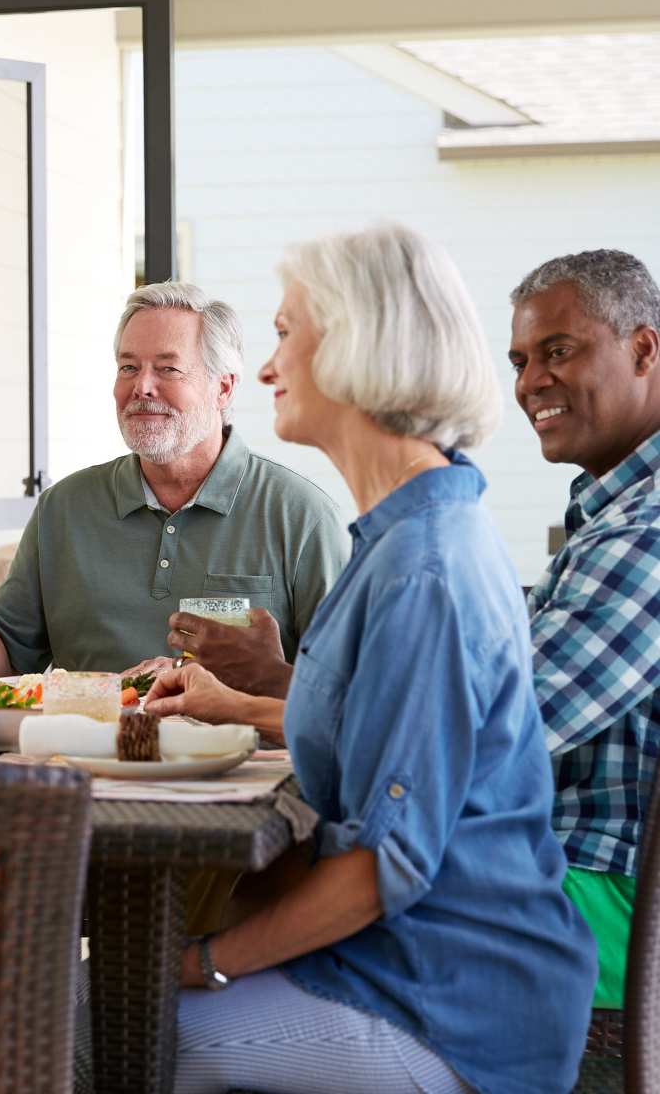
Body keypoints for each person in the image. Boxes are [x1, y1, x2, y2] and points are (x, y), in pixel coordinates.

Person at [142, 224, 596, 1094]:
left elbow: (382, 871)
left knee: (96, 1022)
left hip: (454, 1001)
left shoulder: (425, 565)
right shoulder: (398, 535)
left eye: (285, 333)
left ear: (356, 343)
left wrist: (199, 962)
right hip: (407, 962)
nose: (268, 369)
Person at [0, 281, 349, 680]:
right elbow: (0, 675)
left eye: (168, 368)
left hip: (242, 768)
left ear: (223, 388)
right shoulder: (63, 509)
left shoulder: (302, 515)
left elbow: (344, 689)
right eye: (129, 367)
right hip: (84, 764)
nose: (141, 386)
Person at [509, 249, 660, 1013]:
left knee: (311, 890)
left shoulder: (647, 532)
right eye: (521, 360)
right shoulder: (611, 517)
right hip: (574, 871)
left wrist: (284, 699)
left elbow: (501, 730)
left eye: (557, 351)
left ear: (643, 349)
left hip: (611, 907)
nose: (530, 381)